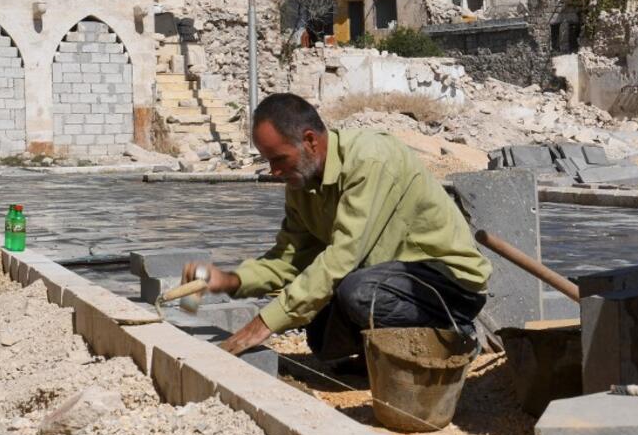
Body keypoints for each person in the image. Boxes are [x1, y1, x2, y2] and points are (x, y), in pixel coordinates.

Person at [184, 94, 491, 364]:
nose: (274, 172)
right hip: (388, 279)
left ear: (310, 141)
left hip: (448, 284)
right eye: (268, 161)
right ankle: (387, 355)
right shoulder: (301, 183)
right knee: (322, 339)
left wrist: (263, 324)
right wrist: (231, 280)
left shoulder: (369, 159)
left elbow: (342, 258)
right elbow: (289, 260)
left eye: (279, 159)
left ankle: (455, 334)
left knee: (357, 294)